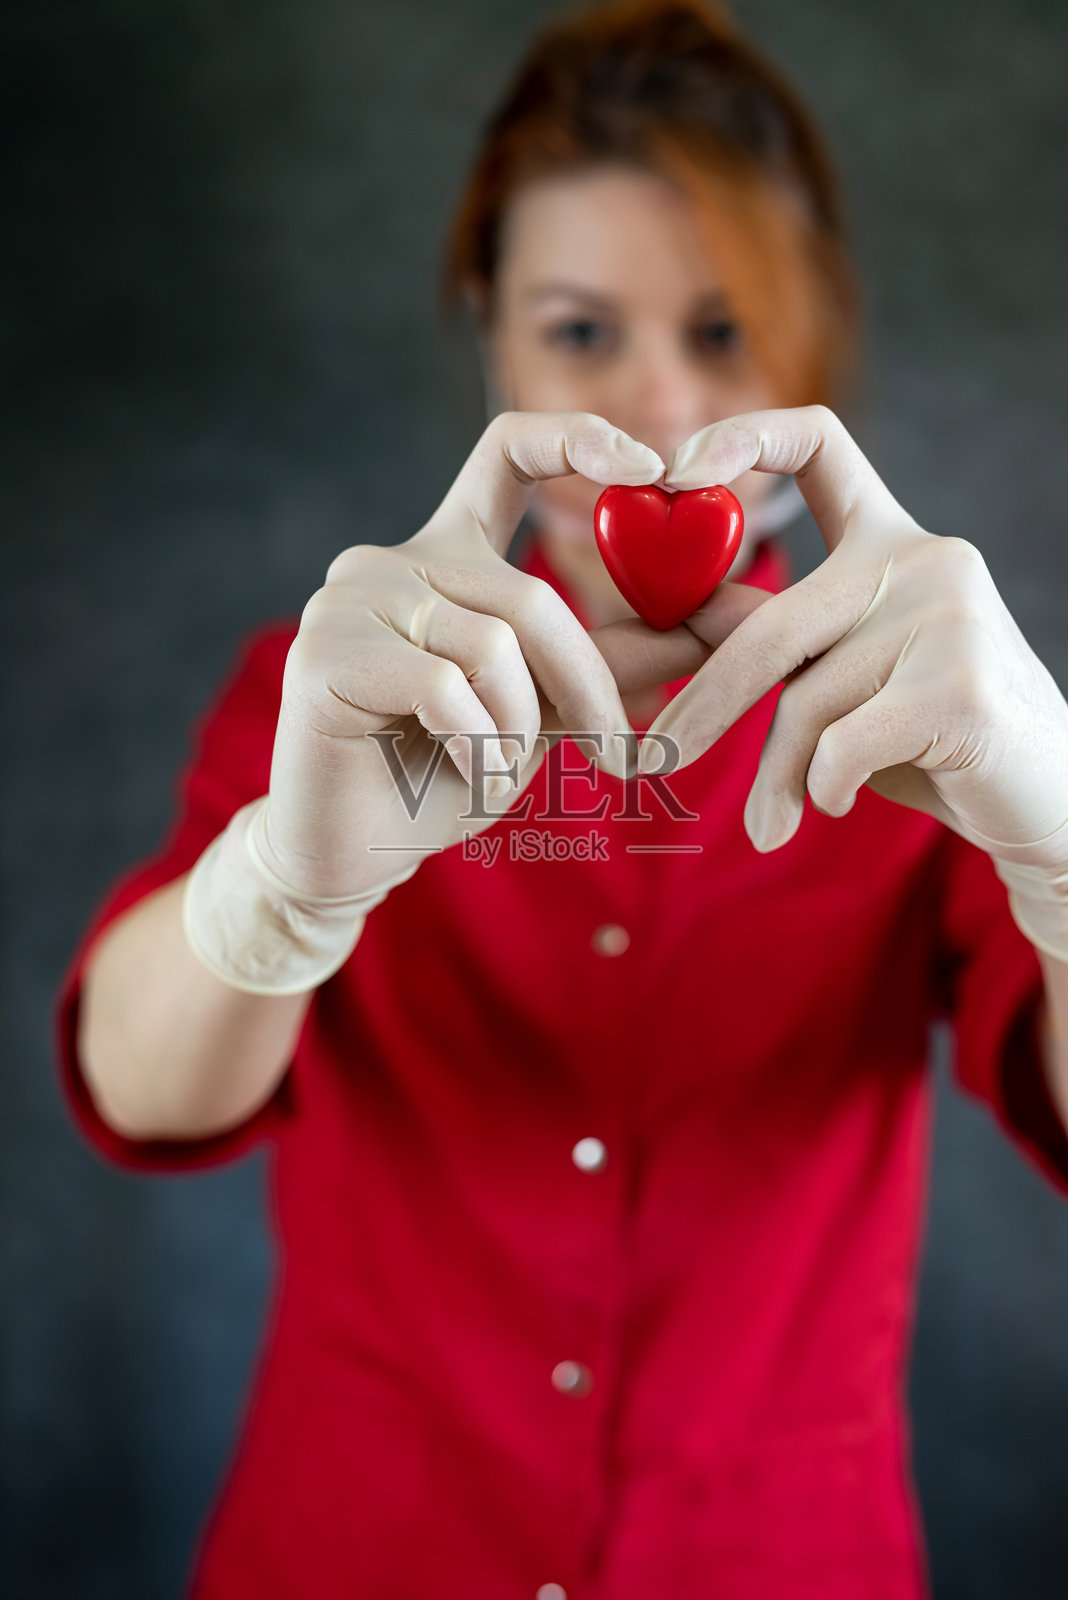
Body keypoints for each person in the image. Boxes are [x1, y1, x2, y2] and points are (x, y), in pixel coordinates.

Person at [54, 2, 1068, 1597]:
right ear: (493, 335)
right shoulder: (327, 693)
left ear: (815, 348)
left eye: (725, 332)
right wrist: (281, 892)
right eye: (583, 332)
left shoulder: (929, 734)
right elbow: (140, 1089)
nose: (661, 418)